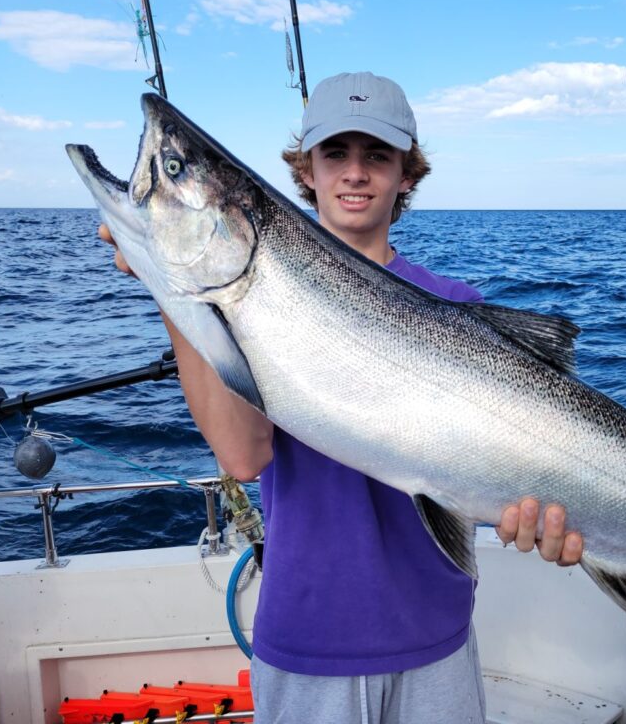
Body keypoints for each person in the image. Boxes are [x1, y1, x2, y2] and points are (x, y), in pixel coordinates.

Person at [101, 71, 582, 724]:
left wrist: (545, 514)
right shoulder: (247, 302)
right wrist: (169, 280)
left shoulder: (459, 307)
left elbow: (507, 464)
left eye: (377, 155)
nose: (355, 173)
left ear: (407, 174)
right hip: (306, 642)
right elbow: (243, 457)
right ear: (306, 170)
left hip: (437, 639)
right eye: (335, 154)